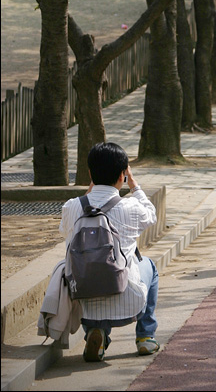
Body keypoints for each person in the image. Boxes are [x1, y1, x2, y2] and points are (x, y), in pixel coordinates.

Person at [60, 142, 160, 362]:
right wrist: (135, 187)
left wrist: (88, 194)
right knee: (150, 266)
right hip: (128, 300)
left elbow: (65, 232)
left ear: (90, 173)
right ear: (123, 174)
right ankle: (145, 337)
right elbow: (152, 215)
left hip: (82, 301)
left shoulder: (71, 207)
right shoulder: (130, 207)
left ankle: (96, 332)